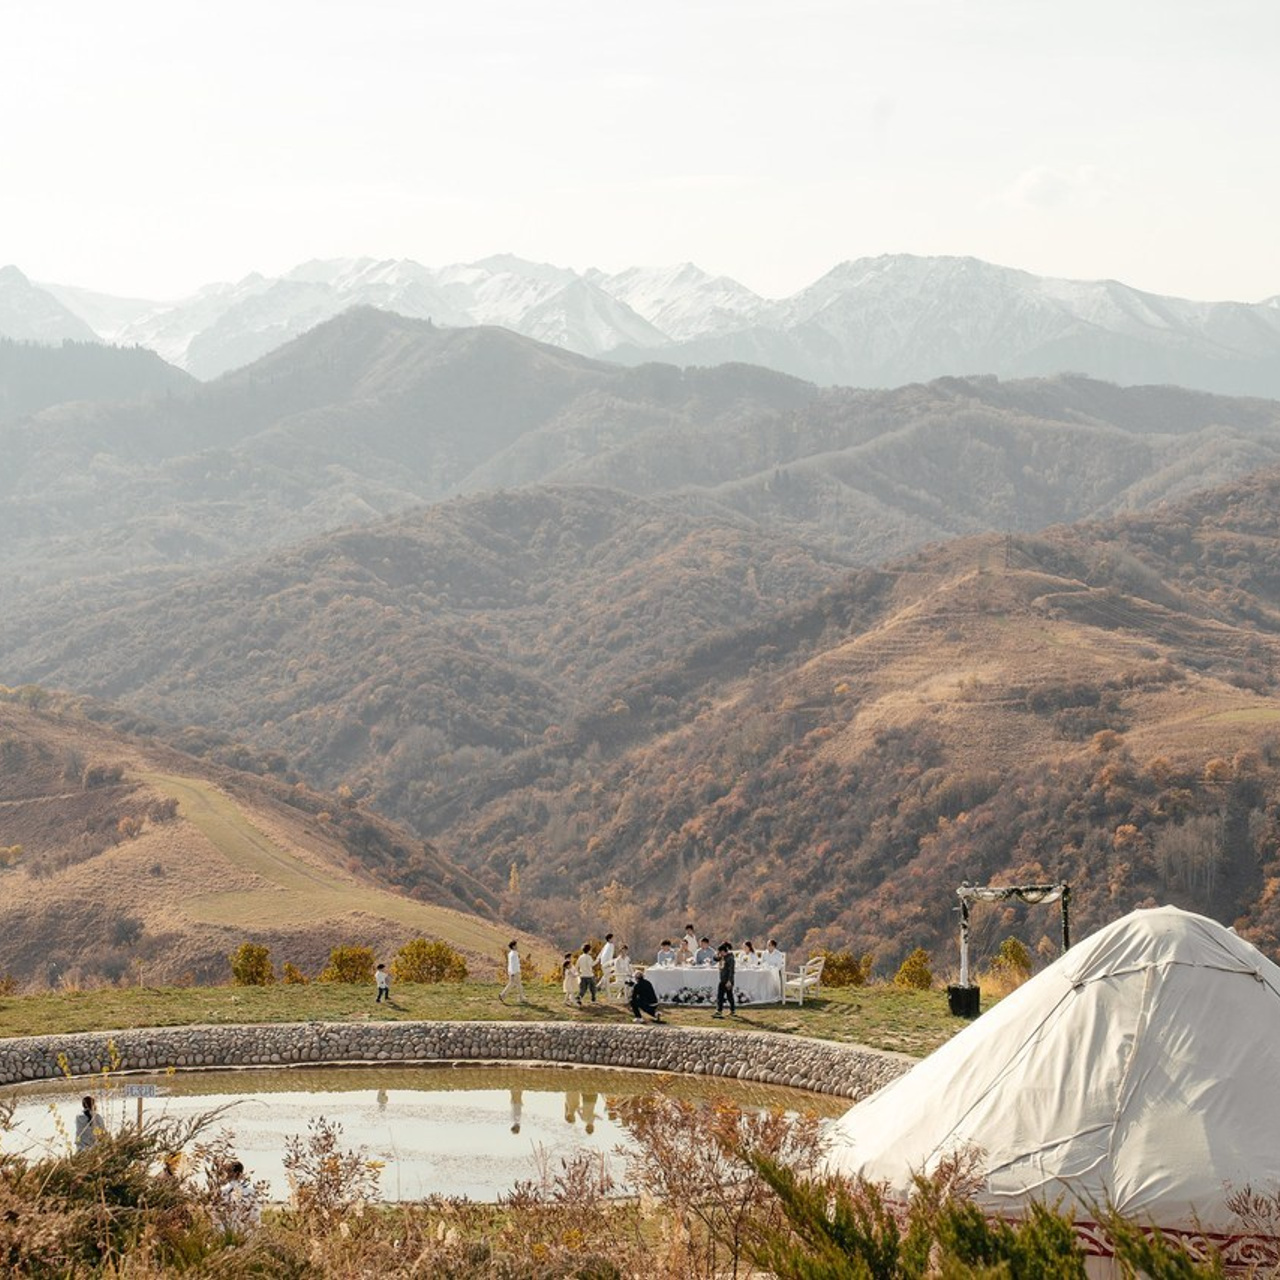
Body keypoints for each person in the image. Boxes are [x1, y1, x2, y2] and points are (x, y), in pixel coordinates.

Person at [217, 1159, 261, 1232]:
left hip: (227, 1230)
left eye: (227, 1171)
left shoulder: (222, 1191)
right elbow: (256, 1214)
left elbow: (218, 1215)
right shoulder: (251, 1191)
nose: (224, 1174)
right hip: (246, 1231)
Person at [713, 941, 737, 1018]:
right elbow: (715, 958)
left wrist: (729, 981)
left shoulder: (730, 958)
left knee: (729, 996)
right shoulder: (722, 957)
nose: (719, 953)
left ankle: (732, 1010)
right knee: (720, 995)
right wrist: (718, 955)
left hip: (728, 980)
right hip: (722, 980)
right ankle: (719, 1011)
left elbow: (731, 971)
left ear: (724, 951)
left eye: (720, 952)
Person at [500, 940, 525, 1004]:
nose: (517, 946)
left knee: (519, 985)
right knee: (512, 984)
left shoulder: (510, 954)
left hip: (513, 971)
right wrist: (514, 973)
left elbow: (511, 964)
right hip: (515, 972)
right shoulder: (514, 954)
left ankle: (521, 998)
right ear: (513, 946)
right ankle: (502, 995)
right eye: (516, 945)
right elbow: (514, 964)